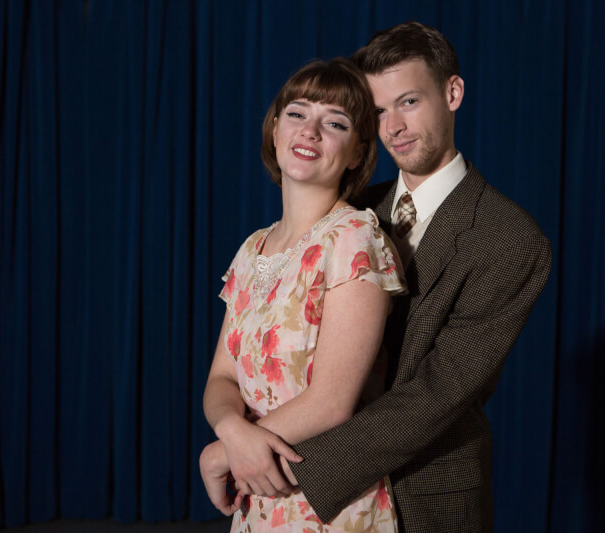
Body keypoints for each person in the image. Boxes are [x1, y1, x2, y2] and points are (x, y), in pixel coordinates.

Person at [203, 22, 552, 532]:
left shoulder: (509, 239)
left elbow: (434, 394)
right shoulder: (349, 209)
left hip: (421, 491)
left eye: (408, 102)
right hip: (279, 477)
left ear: (452, 93)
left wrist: (248, 453)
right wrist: (238, 435)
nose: (395, 127)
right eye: (379, 111)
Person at [200, 58, 406, 532]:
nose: (310, 130)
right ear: (275, 131)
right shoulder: (252, 249)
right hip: (256, 485)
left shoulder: (354, 238)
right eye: (297, 113)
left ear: (357, 152)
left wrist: (222, 453)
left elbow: (333, 400)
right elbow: (221, 382)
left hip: (326, 498)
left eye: (335, 122)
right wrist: (231, 438)